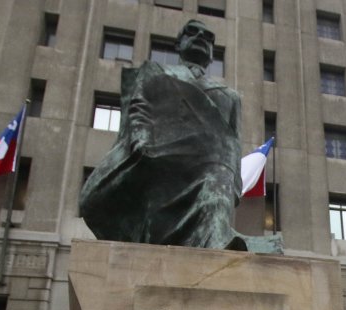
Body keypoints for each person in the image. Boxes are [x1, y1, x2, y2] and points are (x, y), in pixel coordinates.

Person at [80, 19, 279, 253]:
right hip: (162, 159)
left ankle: (220, 240)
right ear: (179, 44)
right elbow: (139, 109)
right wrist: (140, 141)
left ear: (213, 52)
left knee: (216, 190)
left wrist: (233, 184)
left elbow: (233, 142)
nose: (200, 38)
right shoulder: (157, 75)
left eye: (208, 37)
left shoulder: (230, 96)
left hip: (210, 167)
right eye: (192, 32)